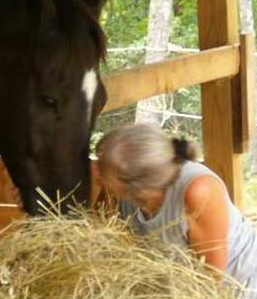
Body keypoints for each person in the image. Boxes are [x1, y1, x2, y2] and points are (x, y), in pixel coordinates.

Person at [91, 123, 257, 298]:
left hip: (236, 288)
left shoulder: (198, 191)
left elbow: (212, 280)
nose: (95, 171)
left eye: (102, 169)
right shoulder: (120, 190)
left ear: (136, 184)